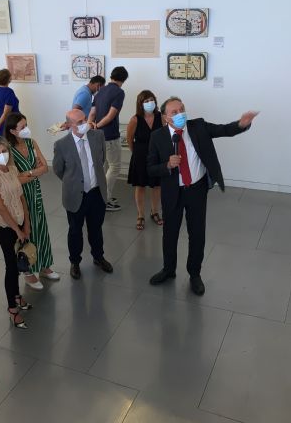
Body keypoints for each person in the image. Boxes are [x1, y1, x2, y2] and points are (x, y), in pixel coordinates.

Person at [147, 97, 259, 295]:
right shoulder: (157, 137)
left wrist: (241, 124)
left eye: (181, 109)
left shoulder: (198, 126)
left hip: (196, 190)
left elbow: (224, 130)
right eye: (174, 112)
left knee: (197, 233)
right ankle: (168, 269)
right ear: (165, 117)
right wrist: (167, 165)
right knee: (169, 234)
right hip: (173, 193)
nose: (180, 113)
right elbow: (150, 168)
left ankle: (194, 274)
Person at [53, 109, 113, 280]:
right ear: (70, 125)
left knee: (96, 228)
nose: (84, 123)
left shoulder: (98, 136)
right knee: (74, 231)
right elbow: (58, 170)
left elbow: (101, 161)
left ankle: (98, 257)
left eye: (85, 119)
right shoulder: (61, 145)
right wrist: (74, 182)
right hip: (75, 195)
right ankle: (75, 262)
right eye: (79, 122)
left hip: (96, 192)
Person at [4, 112, 59, 290]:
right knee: (26, 231)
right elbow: (15, 180)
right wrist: (33, 172)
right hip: (20, 196)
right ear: (13, 131)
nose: (26, 129)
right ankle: (27, 271)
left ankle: (43, 265)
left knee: (40, 227)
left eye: (26, 125)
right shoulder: (8, 151)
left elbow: (45, 167)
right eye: (22, 127)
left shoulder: (31, 142)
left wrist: (27, 173)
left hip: (35, 193)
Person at [0, 136, 32, 329]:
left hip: (20, 222)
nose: (2, 155)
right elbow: (1, 208)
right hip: (5, 228)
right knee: (11, 266)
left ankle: (18, 296)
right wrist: (16, 230)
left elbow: (21, 198)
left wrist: (26, 224)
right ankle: (12, 308)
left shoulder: (13, 170)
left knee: (20, 260)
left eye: (4, 151)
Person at [88, 66, 128, 212]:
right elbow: (111, 116)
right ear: (124, 79)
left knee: (102, 166)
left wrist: (90, 128)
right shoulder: (119, 92)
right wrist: (98, 126)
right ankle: (104, 199)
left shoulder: (100, 91)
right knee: (115, 166)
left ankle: (101, 196)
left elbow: (92, 113)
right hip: (110, 135)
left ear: (111, 76)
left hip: (97, 136)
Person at [126, 90, 163, 230]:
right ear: (140, 104)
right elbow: (130, 139)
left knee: (157, 186)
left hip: (157, 157)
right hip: (140, 156)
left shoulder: (161, 117)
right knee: (140, 186)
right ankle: (140, 215)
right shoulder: (135, 119)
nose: (149, 103)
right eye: (146, 101)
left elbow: (165, 136)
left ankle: (155, 212)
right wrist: (136, 153)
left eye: (151, 100)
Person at [0, 69, 20, 136]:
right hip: (9, 122)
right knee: (9, 143)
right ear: (9, 79)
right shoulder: (9, 92)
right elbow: (6, 112)